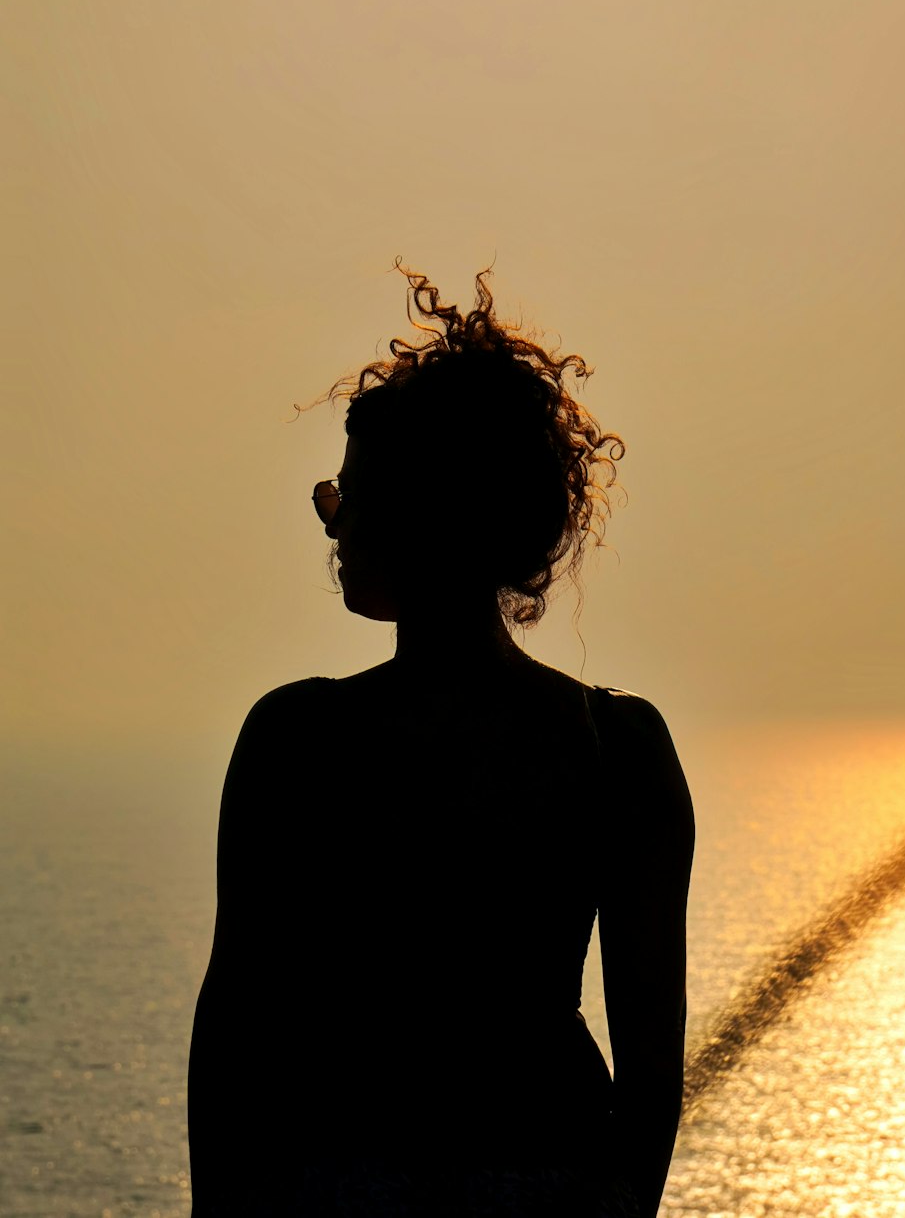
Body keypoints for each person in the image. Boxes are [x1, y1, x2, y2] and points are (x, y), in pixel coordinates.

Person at [188, 267, 695, 1218]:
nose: (333, 523)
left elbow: (235, 1037)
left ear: (426, 519)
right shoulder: (620, 749)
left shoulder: (296, 739)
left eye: (358, 495)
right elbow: (650, 1067)